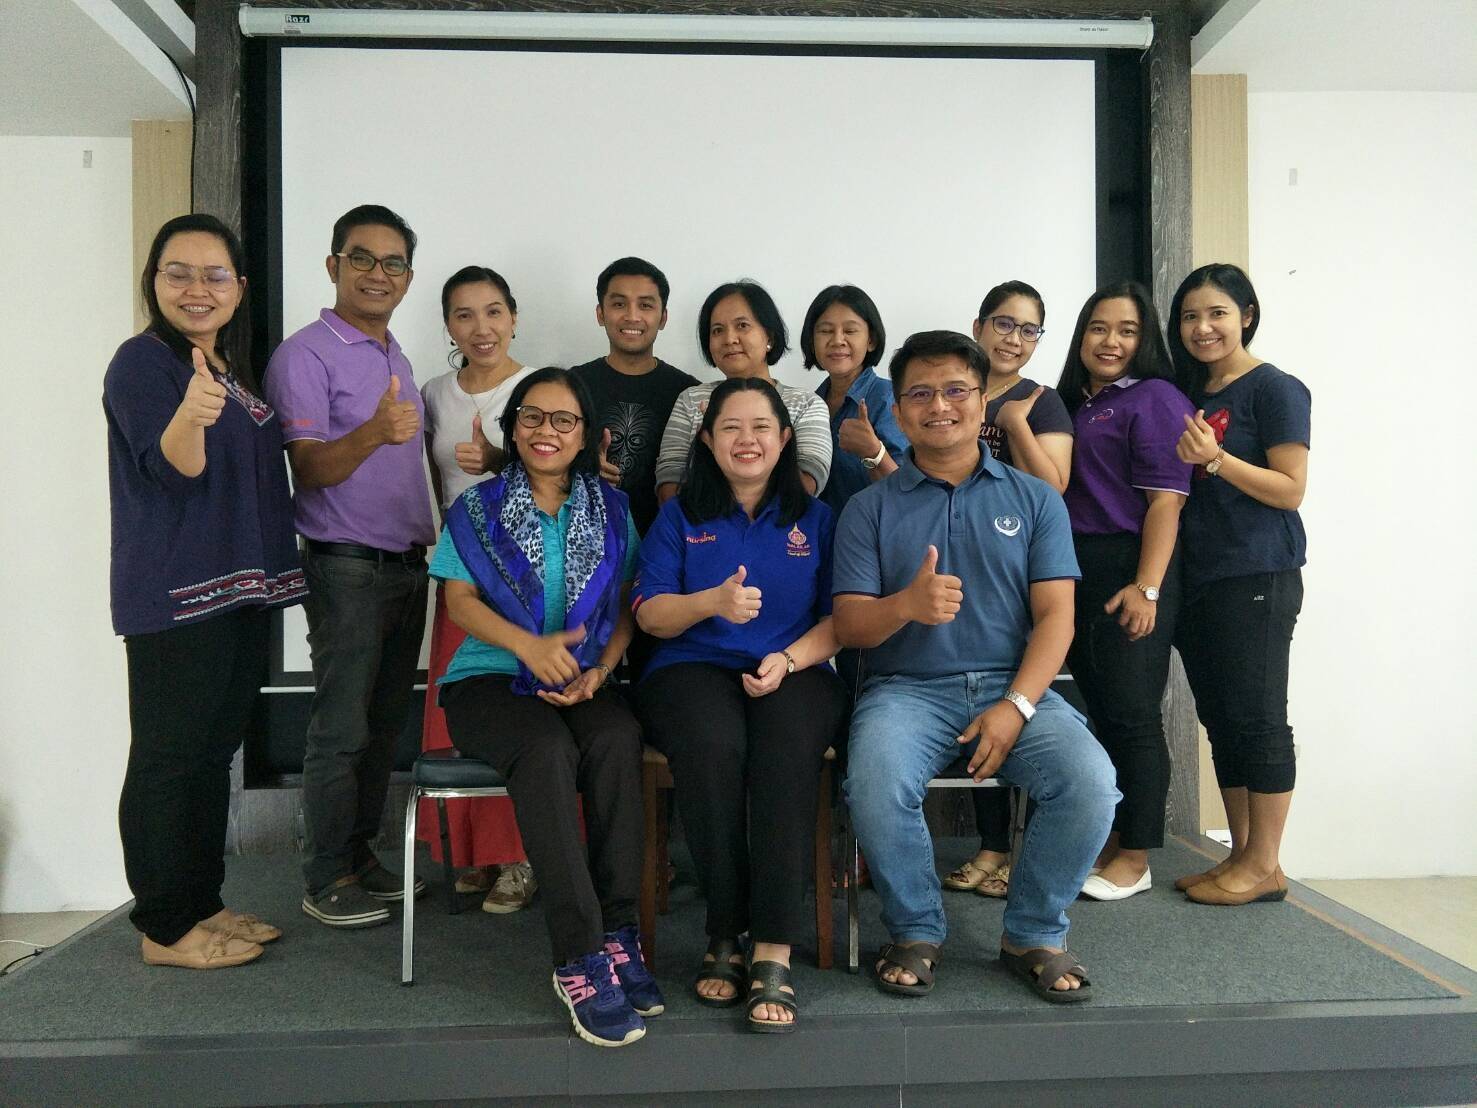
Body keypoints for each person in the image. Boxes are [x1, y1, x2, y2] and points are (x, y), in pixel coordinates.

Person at [834, 330, 1118, 1004]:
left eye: (956, 390)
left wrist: (1016, 706)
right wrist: (905, 606)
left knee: (1091, 783)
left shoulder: (1035, 499)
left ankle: (1033, 932)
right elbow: (848, 626)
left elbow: (1057, 618)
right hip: (904, 690)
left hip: (1014, 687)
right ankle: (915, 929)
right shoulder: (868, 508)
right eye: (920, 394)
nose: (940, 406)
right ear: (898, 412)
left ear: (982, 399)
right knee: (873, 783)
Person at [431, 367, 661, 1047]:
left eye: (564, 420)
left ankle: (619, 934)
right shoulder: (477, 507)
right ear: (513, 428)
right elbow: (458, 601)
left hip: (581, 677)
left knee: (616, 738)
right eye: (532, 417)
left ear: (586, 435)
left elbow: (630, 603)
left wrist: (601, 672)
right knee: (546, 747)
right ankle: (579, 956)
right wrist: (527, 647)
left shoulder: (611, 509)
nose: (546, 431)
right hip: (488, 680)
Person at [105, 213, 305, 968]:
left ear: (239, 288)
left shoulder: (226, 365)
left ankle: (202, 900)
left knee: (211, 752)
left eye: (215, 274)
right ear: (153, 281)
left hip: (238, 591)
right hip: (177, 593)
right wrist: (189, 416)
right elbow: (173, 468)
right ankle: (164, 927)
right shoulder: (143, 363)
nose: (197, 288)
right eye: (178, 273)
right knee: (168, 757)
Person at [634, 377, 847, 1033]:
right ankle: (724, 930)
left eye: (760, 427)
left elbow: (839, 621)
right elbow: (649, 614)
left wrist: (788, 660)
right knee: (711, 747)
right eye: (730, 427)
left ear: (785, 439)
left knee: (785, 755)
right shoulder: (680, 515)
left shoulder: (818, 518)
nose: (746, 440)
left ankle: (773, 946)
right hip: (691, 665)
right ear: (707, 439)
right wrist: (711, 603)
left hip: (795, 665)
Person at [265, 204, 436, 928]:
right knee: (340, 730)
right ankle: (326, 873)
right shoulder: (304, 355)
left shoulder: (395, 354)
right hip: (346, 568)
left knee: (382, 723)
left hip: (406, 566)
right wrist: (373, 431)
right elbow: (307, 469)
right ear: (334, 265)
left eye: (393, 263)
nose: (377, 274)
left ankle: (359, 857)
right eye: (361, 258)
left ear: (408, 278)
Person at [1169, 263, 1310, 906]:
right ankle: (1245, 858)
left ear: (1246, 316)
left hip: (1258, 571)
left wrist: (1217, 460)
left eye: (1217, 313)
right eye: (1190, 316)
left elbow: (1291, 489)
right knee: (1222, 719)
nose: (1203, 327)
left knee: (1259, 719)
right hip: (1202, 576)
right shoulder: (1190, 393)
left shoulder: (1276, 389)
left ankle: (1264, 862)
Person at [1056, 283, 1193, 900]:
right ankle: (1114, 840)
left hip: (1130, 565)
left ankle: (1135, 857)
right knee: (1104, 710)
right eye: (1098, 328)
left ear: (1145, 340)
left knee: (1134, 714)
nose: (1110, 341)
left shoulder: (1156, 397)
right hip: (1078, 568)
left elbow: (1167, 501)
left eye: (1127, 330)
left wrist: (1148, 588)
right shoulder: (1075, 404)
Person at [946, 281, 1075, 901]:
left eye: (1028, 330)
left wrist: (1015, 424)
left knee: (1011, 702)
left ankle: (1010, 854)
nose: (1013, 338)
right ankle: (991, 847)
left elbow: (1054, 487)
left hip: (1017, 574)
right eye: (1003, 323)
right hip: (951, 568)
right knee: (970, 707)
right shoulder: (951, 390)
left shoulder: (1043, 403)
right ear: (978, 326)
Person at [418, 265, 536, 913]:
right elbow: (429, 486)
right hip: (460, 573)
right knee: (456, 712)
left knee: (519, 713)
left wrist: (499, 462)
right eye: (464, 315)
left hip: (526, 580)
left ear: (513, 317)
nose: (480, 327)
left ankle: (520, 855)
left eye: (493, 312)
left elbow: (559, 473)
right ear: (448, 326)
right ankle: (470, 852)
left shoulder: (536, 389)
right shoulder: (433, 395)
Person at [654, 280, 832, 501]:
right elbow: (669, 485)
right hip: (697, 523)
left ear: (769, 336)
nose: (729, 339)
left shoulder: (805, 403)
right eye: (717, 330)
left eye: (742, 326)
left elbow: (806, 484)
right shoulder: (691, 400)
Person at [572, 257, 699, 534]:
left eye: (645, 305)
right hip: (581, 538)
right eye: (619, 304)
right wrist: (580, 465)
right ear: (600, 313)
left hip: (665, 540)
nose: (632, 316)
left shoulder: (689, 394)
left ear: (663, 317)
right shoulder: (572, 385)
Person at [802, 284, 906, 512]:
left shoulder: (888, 398)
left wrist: (874, 452)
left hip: (873, 530)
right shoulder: (807, 404)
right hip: (815, 531)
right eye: (825, 331)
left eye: (850, 331)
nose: (837, 340)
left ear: (871, 341)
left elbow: (908, 492)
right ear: (811, 340)